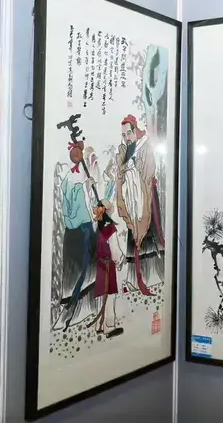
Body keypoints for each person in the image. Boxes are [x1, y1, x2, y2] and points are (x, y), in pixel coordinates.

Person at [115, 115, 165, 296]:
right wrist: (124, 172)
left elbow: (149, 172)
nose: (127, 137)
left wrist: (134, 171)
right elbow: (119, 175)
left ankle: (153, 276)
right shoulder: (125, 151)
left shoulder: (145, 147)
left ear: (135, 130)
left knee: (149, 234)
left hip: (146, 198)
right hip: (131, 200)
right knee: (133, 237)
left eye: (129, 133)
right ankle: (133, 279)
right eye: (124, 135)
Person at [60, 140, 97, 330]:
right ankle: (72, 307)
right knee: (81, 267)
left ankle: (82, 308)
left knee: (86, 266)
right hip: (79, 227)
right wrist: (86, 188)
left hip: (81, 226)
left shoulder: (81, 174)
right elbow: (73, 203)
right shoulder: (72, 177)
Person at [89, 200, 124, 338]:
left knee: (101, 294)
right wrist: (120, 260)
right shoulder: (110, 229)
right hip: (108, 264)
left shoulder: (94, 227)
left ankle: (99, 325)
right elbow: (115, 251)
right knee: (109, 294)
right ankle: (108, 327)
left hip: (98, 265)